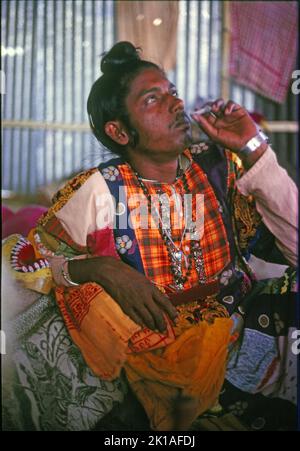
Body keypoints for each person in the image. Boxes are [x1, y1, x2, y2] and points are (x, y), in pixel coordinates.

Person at [4, 41, 297, 431]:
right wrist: (99, 268)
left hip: (245, 337)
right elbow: (24, 268)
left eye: (172, 92)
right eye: (153, 99)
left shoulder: (218, 168)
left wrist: (254, 149)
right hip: (166, 362)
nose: (176, 104)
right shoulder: (98, 190)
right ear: (120, 131)